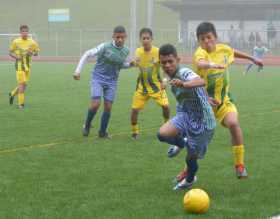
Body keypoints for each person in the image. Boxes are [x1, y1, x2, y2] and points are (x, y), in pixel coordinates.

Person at [175, 22, 263, 182]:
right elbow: (201, 63)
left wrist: (252, 58)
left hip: (223, 102)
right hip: (203, 104)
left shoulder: (223, 49)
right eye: (202, 39)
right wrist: (212, 64)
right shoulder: (200, 53)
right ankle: (187, 170)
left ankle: (240, 165)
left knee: (234, 124)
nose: (207, 41)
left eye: (209, 37)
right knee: (198, 144)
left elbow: (232, 52)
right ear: (199, 42)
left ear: (215, 37)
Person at [157, 44, 216, 190]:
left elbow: (201, 81)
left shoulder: (184, 72)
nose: (167, 65)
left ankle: (189, 179)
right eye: (163, 62)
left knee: (190, 159)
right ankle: (181, 142)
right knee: (162, 134)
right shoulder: (168, 74)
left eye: (170, 61)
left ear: (178, 60)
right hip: (185, 113)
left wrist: (184, 84)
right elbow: (198, 88)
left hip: (203, 121)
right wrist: (206, 97)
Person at [73, 26, 132, 139]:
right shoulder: (104, 46)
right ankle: (87, 124)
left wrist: (131, 64)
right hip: (98, 78)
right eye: (117, 37)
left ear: (126, 37)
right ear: (113, 36)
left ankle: (102, 132)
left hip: (112, 82)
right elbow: (87, 54)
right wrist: (77, 71)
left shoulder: (126, 51)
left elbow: (121, 65)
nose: (120, 39)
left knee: (108, 107)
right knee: (95, 104)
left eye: (122, 37)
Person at [130, 28, 170, 139]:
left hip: (156, 86)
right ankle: (135, 132)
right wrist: (133, 62)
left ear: (152, 39)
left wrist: (165, 81)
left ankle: (166, 124)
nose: (146, 40)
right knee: (134, 110)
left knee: (166, 106)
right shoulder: (138, 51)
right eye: (144, 38)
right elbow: (134, 63)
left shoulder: (158, 52)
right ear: (140, 40)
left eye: (148, 38)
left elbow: (166, 67)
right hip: (142, 87)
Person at [9, 25, 40, 109]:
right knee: (22, 85)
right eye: (23, 31)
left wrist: (32, 53)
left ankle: (12, 94)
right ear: (20, 32)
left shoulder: (32, 42)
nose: (24, 33)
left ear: (28, 32)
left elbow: (36, 53)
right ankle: (21, 104)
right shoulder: (16, 41)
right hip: (19, 66)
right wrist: (16, 57)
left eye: (26, 31)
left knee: (24, 85)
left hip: (28, 66)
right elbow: (10, 52)